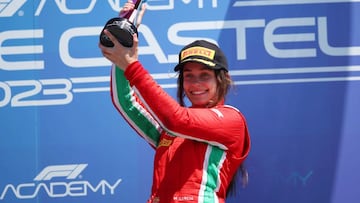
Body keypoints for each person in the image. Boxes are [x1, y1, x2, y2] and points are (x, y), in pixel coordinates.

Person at [99, 1, 250, 202]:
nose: (196, 84)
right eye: (188, 75)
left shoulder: (232, 120)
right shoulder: (169, 132)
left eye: (204, 75)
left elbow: (177, 119)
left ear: (223, 79)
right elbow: (125, 101)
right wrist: (125, 41)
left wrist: (132, 65)